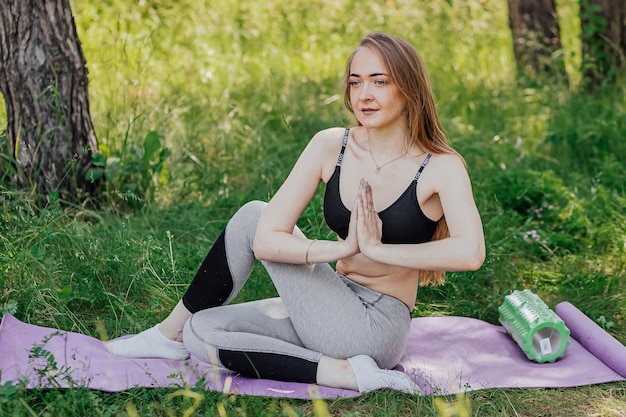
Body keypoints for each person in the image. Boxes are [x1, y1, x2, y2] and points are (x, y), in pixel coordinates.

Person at [106, 31, 485, 394]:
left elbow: (470, 252)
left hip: (375, 327)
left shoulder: (439, 167)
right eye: (355, 83)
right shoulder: (331, 146)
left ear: (409, 88)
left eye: (379, 82)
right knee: (201, 331)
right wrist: (338, 250)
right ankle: (344, 373)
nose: (364, 95)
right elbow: (266, 240)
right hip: (329, 301)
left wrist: (377, 250)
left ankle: (164, 334)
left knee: (255, 212)